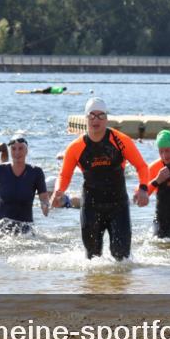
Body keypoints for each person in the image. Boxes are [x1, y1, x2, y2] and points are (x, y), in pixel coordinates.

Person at [52, 97, 150, 260]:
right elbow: (64, 174)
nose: (96, 120)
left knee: (122, 258)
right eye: (92, 115)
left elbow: (142, 166)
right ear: (86, 118)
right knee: (92, 259)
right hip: (91, 206)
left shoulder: (121, 141)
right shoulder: (75, 147)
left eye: (101, 116)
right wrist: (58, 191)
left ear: (106, 119)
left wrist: (144, 188)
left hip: (118, 206)